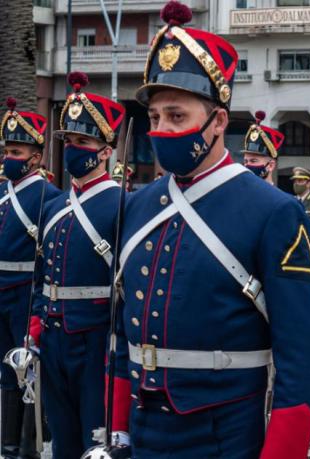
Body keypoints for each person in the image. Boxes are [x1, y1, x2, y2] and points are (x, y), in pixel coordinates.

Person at [110, 3, 310, 457]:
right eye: (154, 119)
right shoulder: (138, 205)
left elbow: (301, 356)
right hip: (144, 430)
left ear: (218, 122)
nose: (162, 130)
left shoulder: (274, 211)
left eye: (177, 116)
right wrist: (118, 428)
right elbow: (122, 331)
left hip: (223, 433)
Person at [25, 71, 125, 459]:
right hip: (52, 336)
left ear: (105, 150)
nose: (72, 149)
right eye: (68, 141)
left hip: (97, 338)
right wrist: (34, 326)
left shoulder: (122, 203)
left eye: (82, 141)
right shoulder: (53, 207)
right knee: (61, 439)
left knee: (95, 439)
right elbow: (40, 274)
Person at [0, 96, 61, 459]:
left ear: (36, 157)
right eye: (7, 149)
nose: (9, 157)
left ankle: (27, 446)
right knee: (4, 368)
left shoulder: (48, 196)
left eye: (17, 150)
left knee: (27, 371)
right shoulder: (2, 193)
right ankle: (6, 444)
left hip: (26, 291)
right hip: (1, 290)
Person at [241, 110, 283, 185]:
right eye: (245, 162)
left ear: (270, 166)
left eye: (253, 161)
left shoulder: (278, 197)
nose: (247, 166)